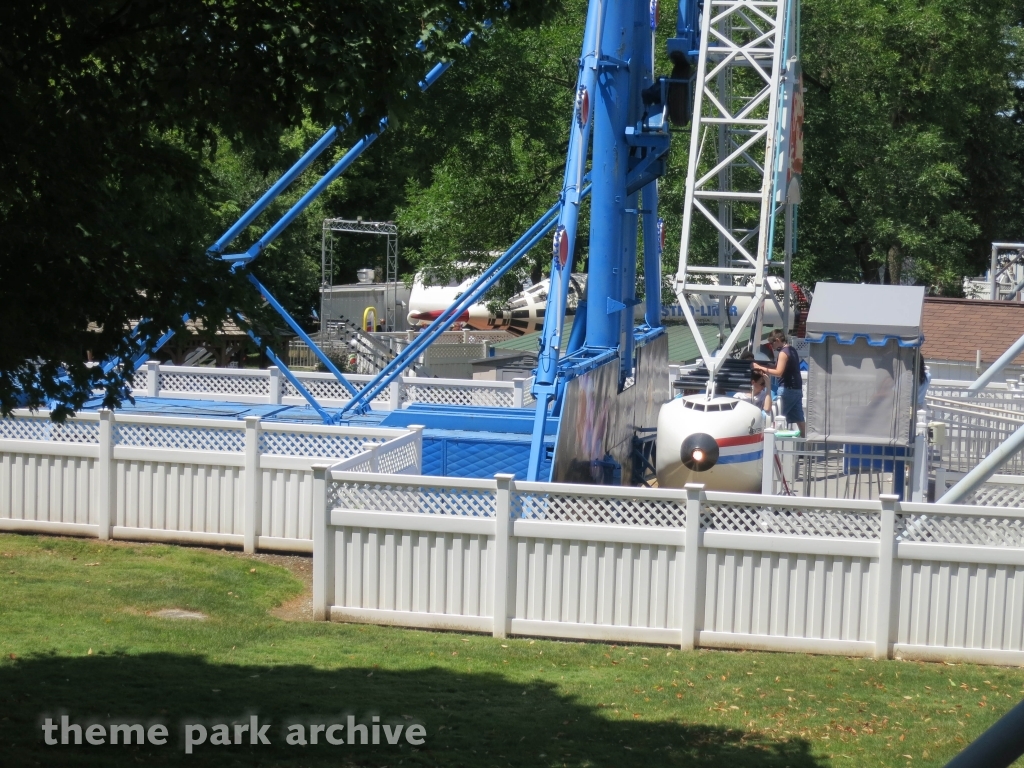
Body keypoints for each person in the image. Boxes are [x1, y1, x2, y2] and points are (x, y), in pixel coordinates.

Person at [754, 329, 805, 435]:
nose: (771, 346)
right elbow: (782, 368)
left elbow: (779, 372)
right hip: (797, 390)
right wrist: (766, 367)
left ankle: (766, 441)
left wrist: (760, 367)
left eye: (772, 343)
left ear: (777, 340)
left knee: (773, 417)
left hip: (787, 390)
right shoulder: (792, 350)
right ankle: (807, 444)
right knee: (799, 419)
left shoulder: (783, 353)